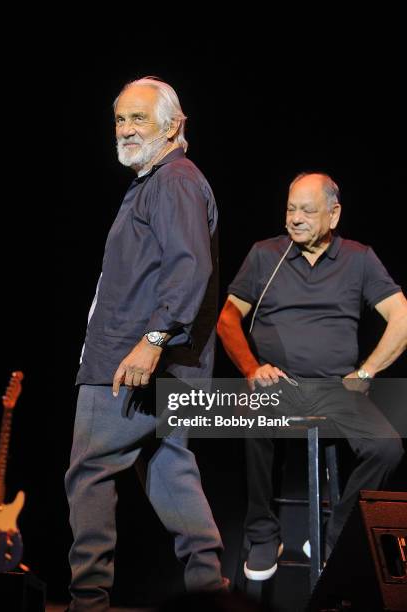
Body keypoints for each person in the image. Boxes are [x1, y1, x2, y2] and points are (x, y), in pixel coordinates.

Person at [65, 77, 225, 611]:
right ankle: (211, 593)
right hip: (161, 364)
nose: (127, 129)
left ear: (174, 125)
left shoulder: (174, 180)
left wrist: (152, 339)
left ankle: (87, 601)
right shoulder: (157, 182)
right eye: (120, 119)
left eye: (139, 119)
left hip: (130, 360)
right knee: (169, 470)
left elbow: (190, 267)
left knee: (90, 472)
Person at [217, 172, 407, 581]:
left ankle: (337, 533)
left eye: (307, 210)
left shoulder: (358, 258)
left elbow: (402, 316)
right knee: (252, 414)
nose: (295, 218)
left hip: (336, 388)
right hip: (277, 383)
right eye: (290, 208)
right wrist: (252, 368)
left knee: (387, 447)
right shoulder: (265, 255)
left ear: (334, 215)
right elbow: (228, 318)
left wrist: (366, 371)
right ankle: (264, 533)